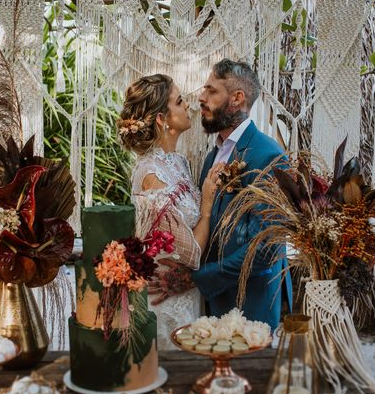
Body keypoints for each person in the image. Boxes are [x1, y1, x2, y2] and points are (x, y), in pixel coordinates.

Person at [149, 59, 292, 330]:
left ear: (237, 98)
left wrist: (198, 278)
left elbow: (265, 250)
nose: (201, 98)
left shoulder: (268, 156)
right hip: (211, 305)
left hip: (250, 306)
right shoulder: (212, 156)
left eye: (212, 91)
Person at [116, 74, 221, 350]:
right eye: (178, 101)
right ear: (162, 119)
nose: (187, 106)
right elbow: (193, 255)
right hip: (167, 302)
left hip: (187, 294)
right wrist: (207, 205)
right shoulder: (150, 173)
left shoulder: (179, 163)